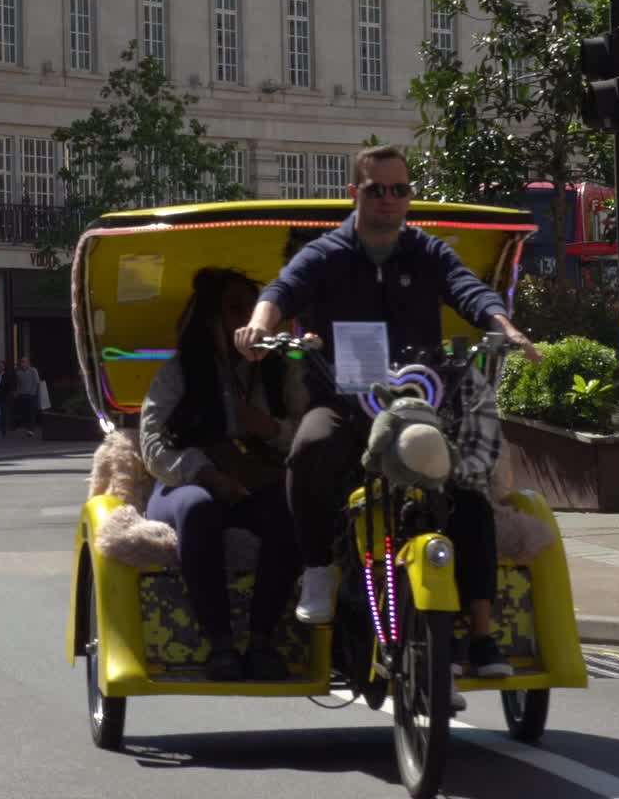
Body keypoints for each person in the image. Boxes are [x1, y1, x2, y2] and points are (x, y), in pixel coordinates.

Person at [233, 145, 534, 679]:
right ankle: (319, 570)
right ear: (356, 193)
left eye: (400, 189)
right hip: (346, 405)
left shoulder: (426, 251)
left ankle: (476, 639)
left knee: (466, 498)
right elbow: (282, 288)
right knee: (310, 448)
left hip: (418, 406)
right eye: (377, 189)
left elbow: (468, 289)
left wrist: (502, 325)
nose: (390, 200)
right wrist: (260, 323)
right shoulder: (327, 252)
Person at [142, 267, 303, 682]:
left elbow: (308, 433)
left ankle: (262, 641)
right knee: (200, 509)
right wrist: (206, 473)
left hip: (257, 482)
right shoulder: (181, 371)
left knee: (290, 511)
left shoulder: (279, 370)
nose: (247, 321)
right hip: (187, 486)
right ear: (210, 318)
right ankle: (220, 645)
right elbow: (152, 445)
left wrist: (271, 429)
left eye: (254, 311)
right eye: (235, 310)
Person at [14, 357, 41, 439]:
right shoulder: (18, 372)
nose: (23, 363)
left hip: (31, 395)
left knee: (31, 412)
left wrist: (33, 393)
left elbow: (36, 382)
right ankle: (27, 428)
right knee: (25, 413)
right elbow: (18, 384)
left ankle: (31, 429)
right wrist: (17, 393)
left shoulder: (33, 370)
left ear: (28, 363)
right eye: (22, 362)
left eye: (24, 362)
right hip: (22, 395)